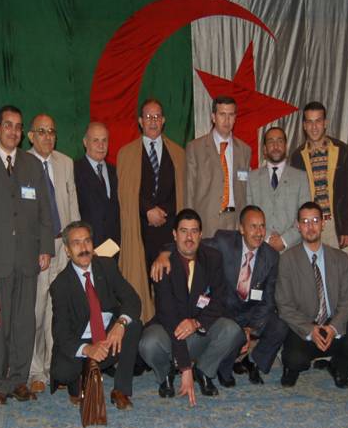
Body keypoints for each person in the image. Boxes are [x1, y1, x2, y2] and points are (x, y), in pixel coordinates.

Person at [151, 205, 285, 386]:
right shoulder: (224, 242)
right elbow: (190, 244)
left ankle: (253, 362)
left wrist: (251, 329)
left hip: (251, 312)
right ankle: (221, 365)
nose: (259, 232)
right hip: (226, 310)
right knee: (230, 333)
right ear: (241, 229)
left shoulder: (272, 256)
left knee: (279, 325)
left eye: (262, 226)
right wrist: (164, 253)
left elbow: (268, 300)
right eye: (253, 226)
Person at [0, 105, 53, 404]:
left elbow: (45, 211)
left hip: (27, 257)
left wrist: (45, 247)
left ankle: (19, 379)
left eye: (18, 127)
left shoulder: (32, 165)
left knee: (24, 322)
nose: (13, 131)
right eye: (8, 125)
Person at [138, 209, 244, 405]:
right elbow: (168, 315)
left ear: (201, 234)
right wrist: (185, 368)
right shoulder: (162, 264)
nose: (189, 237)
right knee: (148, 343)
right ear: (174, 234)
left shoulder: (213, 258)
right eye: (184, 231)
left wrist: (196, 323)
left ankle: (204, 371)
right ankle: (166, 375)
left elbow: (219, 300)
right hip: (169, 331)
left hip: (199, 330)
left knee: (233, 330)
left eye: (194, 231)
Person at [275, 202, 348, 389]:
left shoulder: (340, 258)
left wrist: (333, 328)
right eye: (305, 222)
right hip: (303, 327)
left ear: (323, 223)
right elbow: (284, 305)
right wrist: (311, 330)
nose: (310, 226)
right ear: (298, 226)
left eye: (315, 220)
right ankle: (292, 369)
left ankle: (338, 367)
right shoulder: (287, 259)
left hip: (331, 325)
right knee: (295, 359)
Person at [49, 221, 142, 410]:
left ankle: (121, 390)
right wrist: (87, 349)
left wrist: (120, 324)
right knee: (63, 372)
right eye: (76, 243)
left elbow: (132, 299)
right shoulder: (60, 285)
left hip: (108, 337)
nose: (83, 248)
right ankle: (79, 380)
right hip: (81, 342)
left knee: (134, 325)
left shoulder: (107, 266)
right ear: (67, 250)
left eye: (87, 241)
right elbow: (61, 333)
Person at [116, 98, 186, 321]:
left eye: (157, 117)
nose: (153, 121)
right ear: (140, 121)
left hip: (169, 236)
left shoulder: (178, 154)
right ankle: (143, 332)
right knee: (140, 288)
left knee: (169, 291)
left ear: (163, 120)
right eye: (148, 117)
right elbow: (125, 193)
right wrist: (147, 210)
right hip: (139, 234)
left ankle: (170, 334)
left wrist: (162, 212)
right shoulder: (125, 154)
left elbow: (182, 192)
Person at [27, 113, 80, 395]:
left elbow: (73, 205)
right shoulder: (22, 163)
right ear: (30, 136)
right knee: (36, 312)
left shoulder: (65, 163)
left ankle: (52, 368)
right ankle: (35, 371)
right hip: (38, 248)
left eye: (51, 131)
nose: (48, 137)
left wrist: (76, 244)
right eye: (42, 131)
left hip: (63, 246)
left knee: (57, 312)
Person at [289, 101, 348, 261]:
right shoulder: (297, 156)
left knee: (343, 269)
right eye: (309, 122)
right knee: (312, 271)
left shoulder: (343, 151)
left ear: (325, 123)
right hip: (310, 226)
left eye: (318, 121)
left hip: (337, 225)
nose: (314, 127)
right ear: (304, 125)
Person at [185, 96, 250, 238]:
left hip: (236, 221)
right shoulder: (195, 148)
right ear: (213, 117)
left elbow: (246, 188)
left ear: (235, 118)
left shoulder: (244, 150)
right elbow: (189, 191)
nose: (227, 120)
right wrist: (189, 225)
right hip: (206, 221)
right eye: (222, 114)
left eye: (231, 115)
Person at [247, 126, 310, 254]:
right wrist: (267, 238)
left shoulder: (301, 177)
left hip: (292, 249)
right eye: (271, 141)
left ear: (286, 147)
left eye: (280, 141)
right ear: (264, 149)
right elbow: (248, 215)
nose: (275, 146)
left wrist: (284, 240)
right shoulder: (252, 178)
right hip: (260, 249)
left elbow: (305, 216)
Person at [74, 121, 120, 250]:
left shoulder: (115, 171)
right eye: (95, 140)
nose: (101, 145)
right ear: (85, 142)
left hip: (115, 247)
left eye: (104, 140)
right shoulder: (74, 171)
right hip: (88, 247)